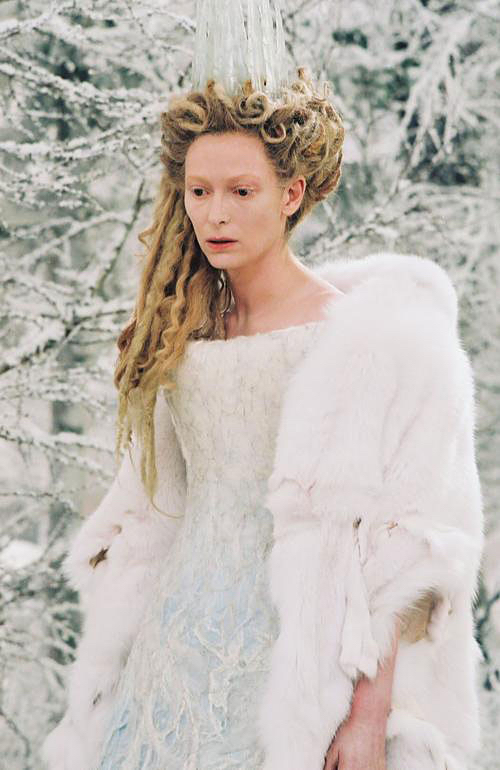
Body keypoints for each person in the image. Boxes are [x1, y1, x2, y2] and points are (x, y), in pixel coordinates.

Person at [41, 15, 484, 770]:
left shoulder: (365, 340)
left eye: (241, 190)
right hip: (171, 660)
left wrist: (367, 719)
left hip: (300, 670)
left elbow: (399, 548)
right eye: (199, 191)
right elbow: (159, 513)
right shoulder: (183, 337)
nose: (215, 213)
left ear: (291, 193)